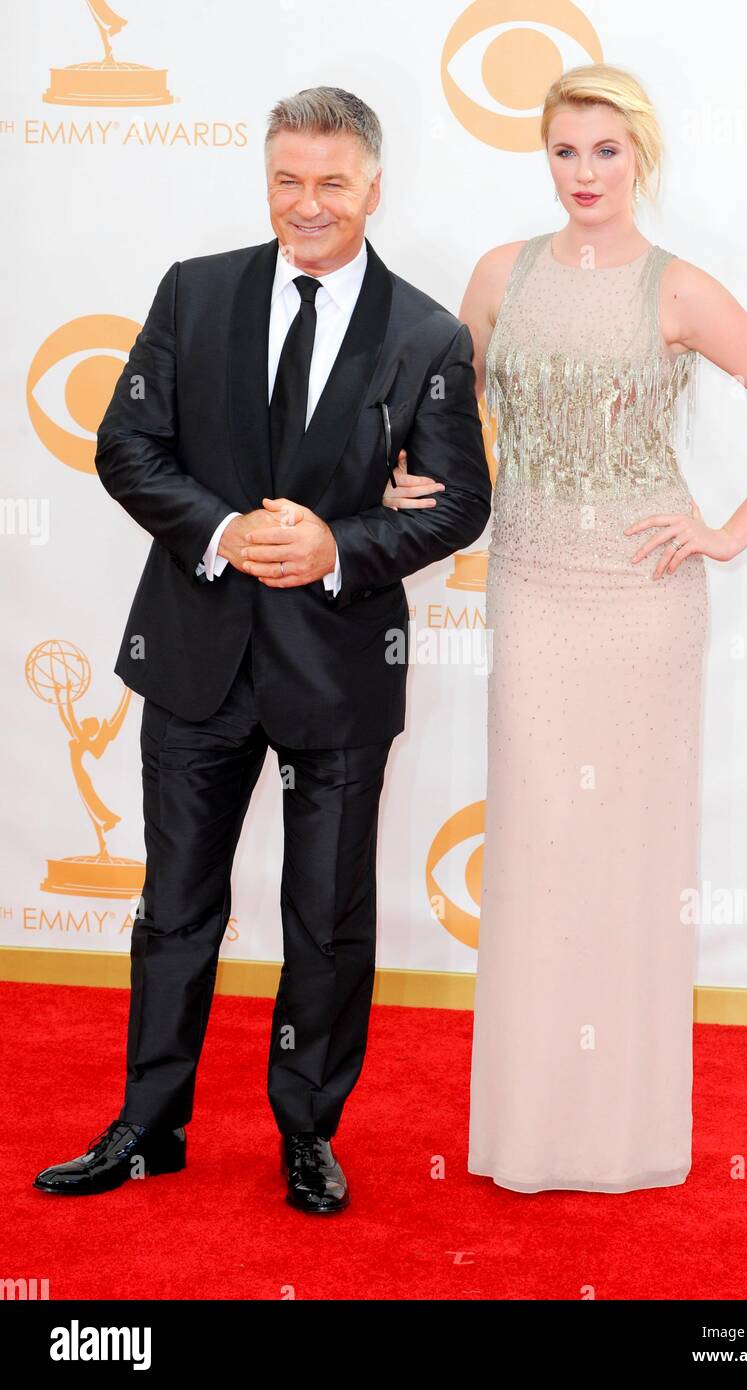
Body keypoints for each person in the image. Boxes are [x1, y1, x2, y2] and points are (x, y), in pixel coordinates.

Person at [33, 86, 492, 1213]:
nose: (307, 203)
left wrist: (337, 543)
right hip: (197, 653)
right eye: (287, 178)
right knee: (174, 901)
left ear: (373, 187)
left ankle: (306, 1130)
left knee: (326, 916)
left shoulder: (426, 333)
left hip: (335, 664)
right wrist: (229, 531)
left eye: (332, 182)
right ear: (267, 177)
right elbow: (127, 446)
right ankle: (149, 1126)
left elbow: (460, 505)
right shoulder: (195, 293)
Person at [384, 64, 747, 1193]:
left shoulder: (678, 290)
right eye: (563, 151)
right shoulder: (500, 274)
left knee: (630, 860)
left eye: (604, 151)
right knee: (538, 851)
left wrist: (725, 532)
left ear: (639, 156)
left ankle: (625, 1131)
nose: (583, 173)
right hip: (533, 586)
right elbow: (453, 413)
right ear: (541, 157)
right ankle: (531, 1134)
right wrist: (407, 480)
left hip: (643, 603)